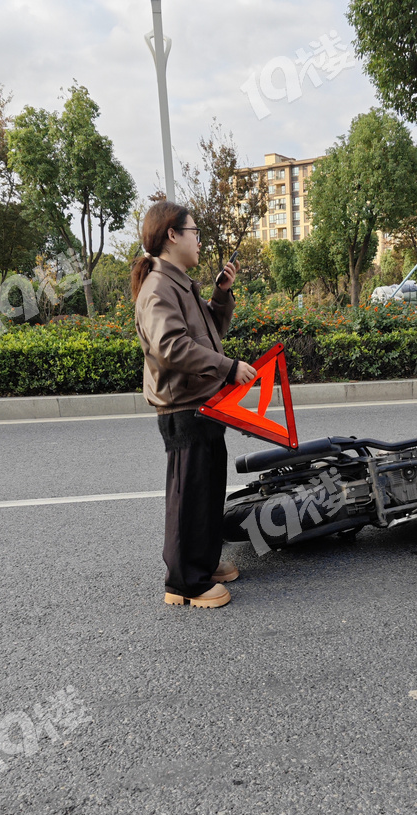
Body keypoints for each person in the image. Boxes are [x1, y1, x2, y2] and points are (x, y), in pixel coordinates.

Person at [131, 201, 257, 608]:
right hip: (183, 406)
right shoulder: (158, 287)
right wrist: (227, 367)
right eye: (195, 232)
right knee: (189, 494)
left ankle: (202, 562)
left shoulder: (180, 283)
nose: (199, 241)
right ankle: (184, 581)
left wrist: (221, 295)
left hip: (201, 403)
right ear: (172, 235)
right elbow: (171, 346)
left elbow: (208, 333)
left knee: (206, 490)